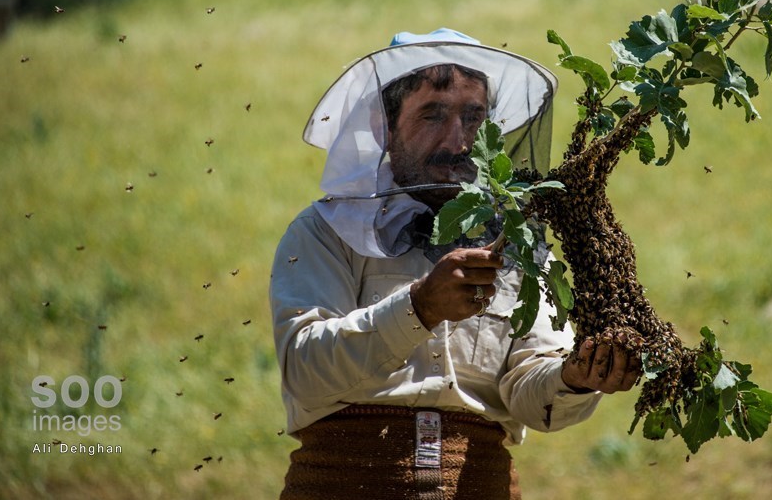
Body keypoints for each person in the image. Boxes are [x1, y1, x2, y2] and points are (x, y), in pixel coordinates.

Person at [270, 29, 642, 500]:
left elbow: (530, 392)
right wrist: (418, 308)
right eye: (433, 114)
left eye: (473, 116)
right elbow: (304, 369)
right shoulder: (326, 230)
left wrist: (575, 378)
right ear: (384, 122)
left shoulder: (518, 242)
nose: (458, 140)